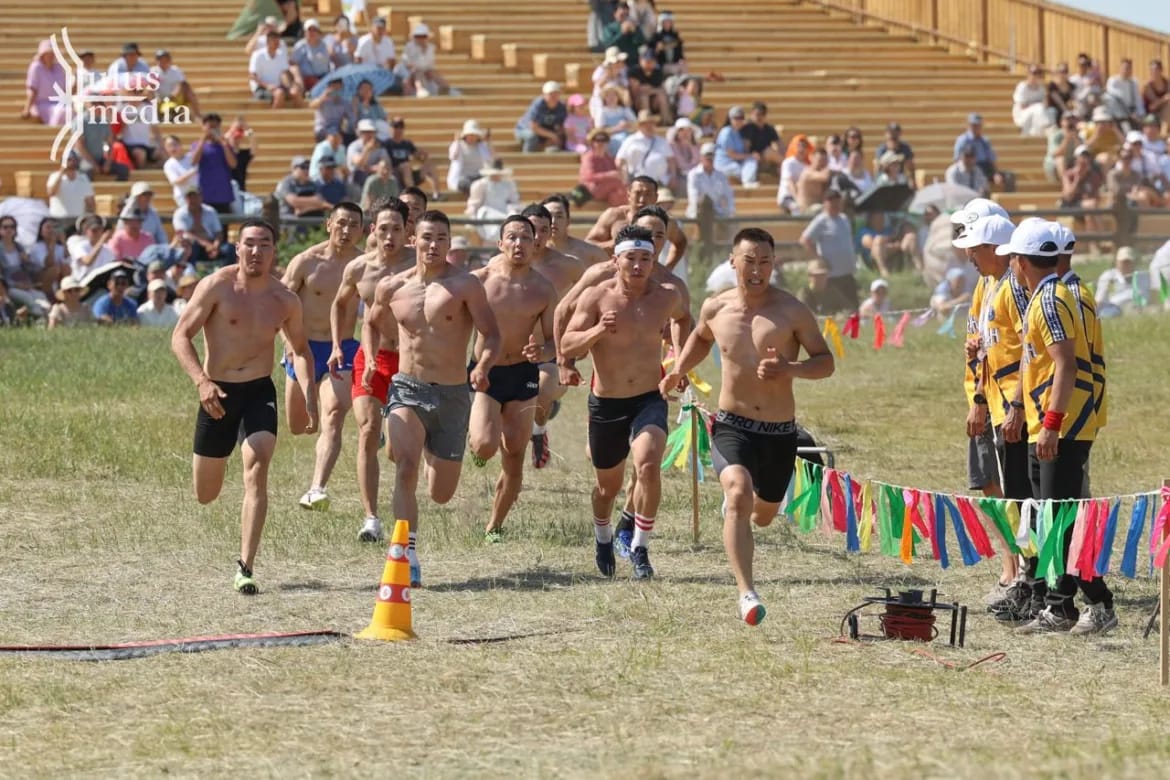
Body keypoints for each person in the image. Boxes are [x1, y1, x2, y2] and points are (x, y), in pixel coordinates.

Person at [661, 228, 834, 623]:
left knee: (764, 514)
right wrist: (677, 370)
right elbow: (702, 339)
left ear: (774, 264)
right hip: (731, 424)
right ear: (732, 262)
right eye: (749, 261)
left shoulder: (791, 311)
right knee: (738, 493)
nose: (756, 270)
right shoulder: (716, 308)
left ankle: (747, 509)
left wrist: (789, 368)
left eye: (764, 262)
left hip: (778, 432)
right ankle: (747, 593)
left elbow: (825, 362)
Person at [171, 218, 318, 594]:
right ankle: (214, 477)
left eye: (264, 245)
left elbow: (300, 349)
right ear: (237, 248)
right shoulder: (216, 286)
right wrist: (201, 382)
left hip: (257, 390)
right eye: (249, 244)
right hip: (217, 393)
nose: (256, 252)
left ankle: (246, 566)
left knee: (258, 463)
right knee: (206, 493)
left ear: (274, 251)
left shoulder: (284, 299)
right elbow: (180, 336)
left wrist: (309, 391)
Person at [361, 210, 501, 586]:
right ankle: (406, 553)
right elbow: (371, 323)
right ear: (414, 240)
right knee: (405, 466)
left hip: (454, 394)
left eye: (441, 237)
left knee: (441, 493)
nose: (433, 245)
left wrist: (482, 363)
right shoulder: (393, 287)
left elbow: (491, 333)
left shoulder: (466, 285)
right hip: (408, 387)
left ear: (449, 243)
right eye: (427, 237)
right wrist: (372, 358)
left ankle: (430, 449)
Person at [1001, 221, 1113, 635]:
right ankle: (1060, 604)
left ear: (1020, 260)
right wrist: (1020, 408)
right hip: (1043, 422)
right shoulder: (1042, 297)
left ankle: (1094, 603)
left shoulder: (1050, 301)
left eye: (1012, 256)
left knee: (1063, 518)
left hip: (1062, 424)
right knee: (1052, 517)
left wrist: (1051, 425)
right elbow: (1038, 363)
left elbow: (1065, 363)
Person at [560, 224, 690, 579]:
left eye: (645, 259)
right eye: (631, 258)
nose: (638, 265)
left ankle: (640, 547)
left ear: (653, 261)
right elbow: (568, 345)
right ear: (616, 260)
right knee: (608, 488)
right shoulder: (596, 297)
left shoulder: (666, 295)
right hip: (607, 404)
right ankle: (603, 536)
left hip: (649, 398)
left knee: (648, 464)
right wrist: (598, 330)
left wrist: (679, 363)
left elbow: (684, 321)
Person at [951, 214, 1027, 603]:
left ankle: (1024, 574)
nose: (969, 255)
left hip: (1010, 405)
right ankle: (1014, 569)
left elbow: (1028, 351)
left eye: (975, 247)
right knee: (995, 487)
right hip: (990, 401)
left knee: (1019, 492)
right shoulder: (990, 285)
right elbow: (988, 342)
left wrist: (995, 400)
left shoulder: (1013, 288)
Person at [469, 216, 558, 540]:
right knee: (484, 445)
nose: (518, 244)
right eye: (512, 237)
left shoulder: (543, 289)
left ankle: (495, 524)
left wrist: (542, 352)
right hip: (486, 371)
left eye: (525, 238)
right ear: (500, 243)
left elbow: (552, 341)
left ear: (536, 244)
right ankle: (476, 445)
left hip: (523, 373)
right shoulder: (480, 280)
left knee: (515, 453)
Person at [331, 198, 412, 542]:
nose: (390, 236)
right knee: (366, 429)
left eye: (396, 229)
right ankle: (371, 518)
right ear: (372, 231)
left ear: (408, 230)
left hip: (409, 362)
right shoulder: (359, 269)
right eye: (383, 229)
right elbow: (339, 304)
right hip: (371, 357)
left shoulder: (419, 265)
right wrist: (338, 345)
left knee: (399, 450)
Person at [280, 201, 364, 511]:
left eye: (353, 225)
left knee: (334, 414)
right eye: (341, 223)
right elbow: (281, 305)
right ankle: (309, 399)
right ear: (329, 224)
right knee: (299, 424)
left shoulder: (363, 264)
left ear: (361, 230)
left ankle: (317, 488)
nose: (346, 230)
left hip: (341, 348)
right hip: (302, 348)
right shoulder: (305, 262)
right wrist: (289, 343)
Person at [584, 175, 688, 268]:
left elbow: (681, 242)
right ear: (629, 195)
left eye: (648, 194)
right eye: (638, 193)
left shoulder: (665, 222)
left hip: (651, 278)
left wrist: (669, 267)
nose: (642, 199)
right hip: (616, 275)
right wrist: (616, 244)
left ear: (656, 197)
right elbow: (588, 245)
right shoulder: (614, 216)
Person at [798, 188, 858, 310]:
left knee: (853, 307)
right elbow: (805, 240)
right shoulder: (821, 220)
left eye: (837, 202)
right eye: (832, 202)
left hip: (848, 272)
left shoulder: (844, 218)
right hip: (832, 275)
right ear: (825, 203)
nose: (835, 205)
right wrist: (819, 259)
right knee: (834, 309)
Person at [541, 194, 610, 267]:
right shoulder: (534, 253)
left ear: (568, 221)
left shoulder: (591, 253)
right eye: (549, 216)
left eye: (559, 216)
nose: (553, 221)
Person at [686, 141, 736, 219]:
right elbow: (693, 196)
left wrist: (729, 212)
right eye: (707, 155)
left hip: (718, 213)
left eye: (712, 155)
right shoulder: (693, 174)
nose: (710, 158)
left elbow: (728, 195)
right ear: (701, 156)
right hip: (698, 213)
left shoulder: (721, 175)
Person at [515, 81, 568, 153]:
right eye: (550, 94)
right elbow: (533, 127)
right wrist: (552, 135)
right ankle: (527, 158)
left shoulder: (561, 107)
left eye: (556, 94)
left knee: (560, 140)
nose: (553, 97)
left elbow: (562, 125)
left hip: (545, 130)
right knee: (532, 137)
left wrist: (557, 135)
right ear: (544, 95)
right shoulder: (538, 105)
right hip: (523, 129)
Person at [22, 39, 65, 126]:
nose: (52, 56)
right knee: (61, 112)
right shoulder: (36, 67)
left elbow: (64, 90)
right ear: (43, 55)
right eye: (49, 53)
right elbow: (32, 89)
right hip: (41, 104)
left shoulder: (59, 68)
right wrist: (27, 108)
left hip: (59, 103)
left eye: (53, 53)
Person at [715, 106, 760, 188]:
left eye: (741, 118)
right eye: (736, 118)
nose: (739, 121)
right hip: (724, 164)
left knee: (752, 160)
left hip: (735, 164)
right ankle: (748, 182)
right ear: (730, 119)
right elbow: (732, 155)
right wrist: (750, 155)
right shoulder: (726, 132)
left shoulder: (737, 133)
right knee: (750, 160)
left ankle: (747, 181)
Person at [1013, 64, 1052, 137]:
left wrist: (1046, 94)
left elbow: (1046, 105)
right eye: (1033, 73)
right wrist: (1037, 105)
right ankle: (1047, 128)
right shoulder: (1022, 87)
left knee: (1051, 111)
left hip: (1036, 115)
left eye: (1038, 73)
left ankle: (1042, 133)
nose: (1035, 76)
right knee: (1039, 107)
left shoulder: (1041, 88)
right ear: (1028, 74)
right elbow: (1022, 106)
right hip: (1021, 115)